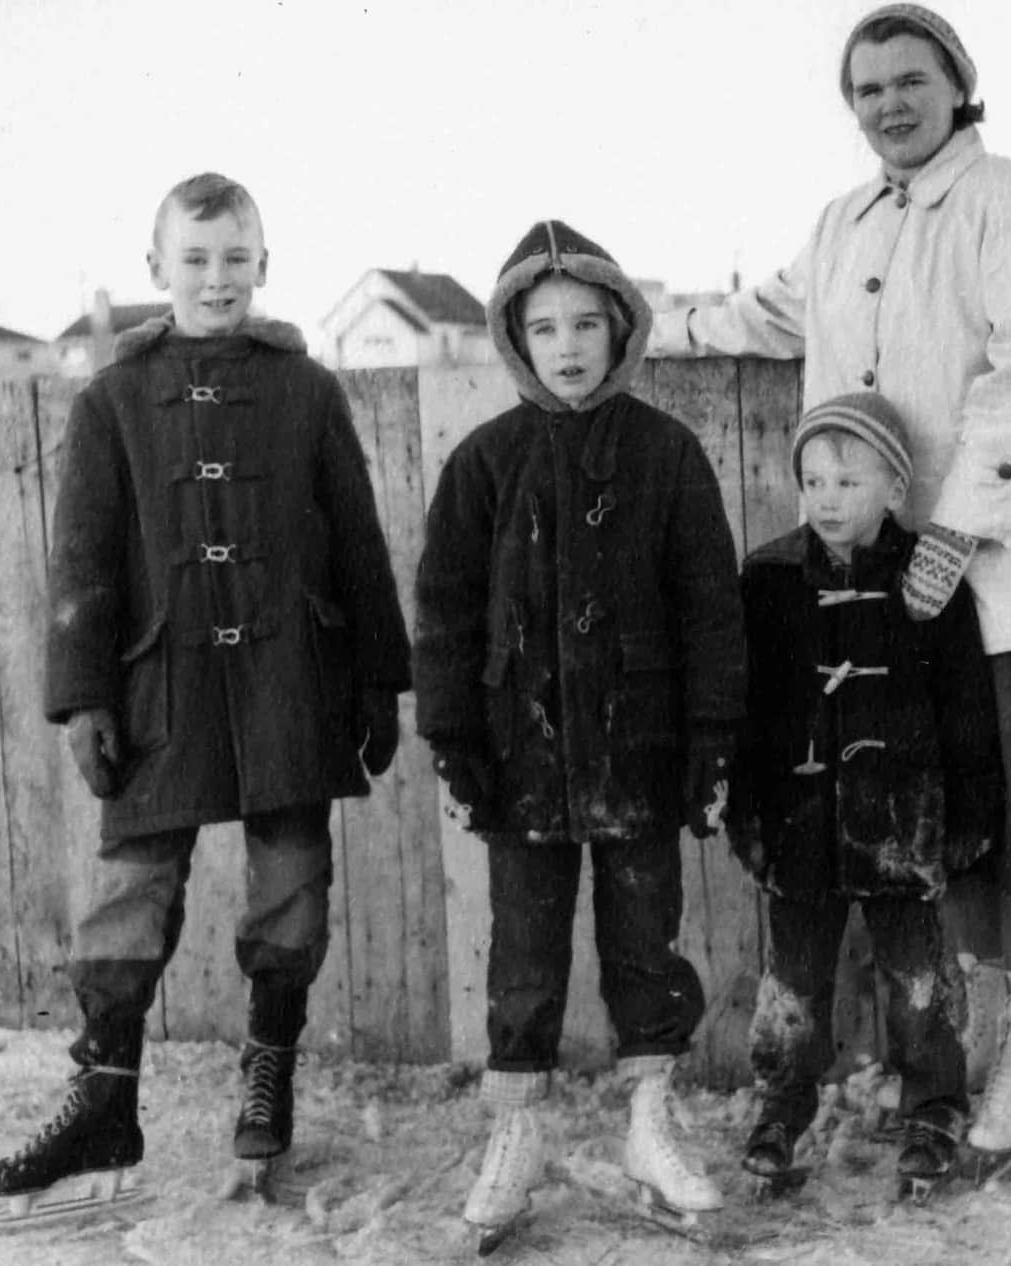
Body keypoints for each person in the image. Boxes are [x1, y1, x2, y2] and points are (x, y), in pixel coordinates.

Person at [647, 4, 1011, 1161]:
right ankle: (950, 1055)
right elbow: (765, 313)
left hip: (1010, 563)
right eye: (867, 90)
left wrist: (955, 533)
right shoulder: (843, 219)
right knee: (931, 810)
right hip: (882, 583)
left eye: (911, 81)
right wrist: (640, 327)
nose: (890, 106)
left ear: (959, 84)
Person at [0, 173, 410, 1213]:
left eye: (237, 257)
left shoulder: (310, 391)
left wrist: (378, 678)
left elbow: (357, 538)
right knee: (130, 886)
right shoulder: (113, 399)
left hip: (288, 674)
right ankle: (104, 1097)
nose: (218, 279)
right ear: (156, 267)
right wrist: (84, 698)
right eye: (197, 258)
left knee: (292, 879)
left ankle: (269, 1076)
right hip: (159, 678)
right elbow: (81, 560)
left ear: (266, 263)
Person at [413, 220, 745, 1239]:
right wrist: (456, 741)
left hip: (641, 753)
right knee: (524, 949)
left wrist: (710, 736)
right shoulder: (484, 462)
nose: (567, 346)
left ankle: (651, 1116)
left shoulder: (668, 454)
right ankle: (518, 1132)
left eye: (587, 324)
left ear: (620, 329)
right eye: (545, 326)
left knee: (647, 935)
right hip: (524, 759)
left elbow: (710, 609)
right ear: (515, 337)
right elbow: (447, 612)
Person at [731, 391, 1004, 1194]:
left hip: (902, 817)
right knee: (793, 982)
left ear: (895, 488)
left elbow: (966, 703)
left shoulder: (927, 580)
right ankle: (781, 1107)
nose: (827, 499)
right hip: (800, 821)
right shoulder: (771, 578)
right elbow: (748, 708)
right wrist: (748, 811)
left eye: (849, 483)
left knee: (918, 981)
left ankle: (931, 1110)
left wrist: (973, 811)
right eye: (812, 481)